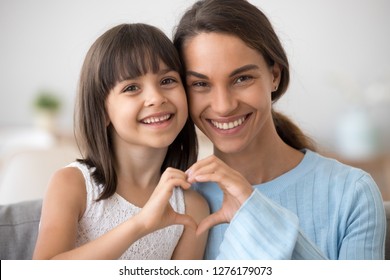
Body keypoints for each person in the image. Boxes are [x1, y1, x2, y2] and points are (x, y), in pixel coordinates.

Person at [173, 0, 386, 259]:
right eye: (200, 84)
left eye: (242, 78)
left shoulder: (352, 193)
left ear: (274, 75)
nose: (223, 106)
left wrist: (255, 210)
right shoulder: (179, 204)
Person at [33, 23, 209, 260]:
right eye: (132, 87)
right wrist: (140, 224)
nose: (156, 98)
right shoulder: (72, 184)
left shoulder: (193, 208)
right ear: (102, 111)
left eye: (167, 81)